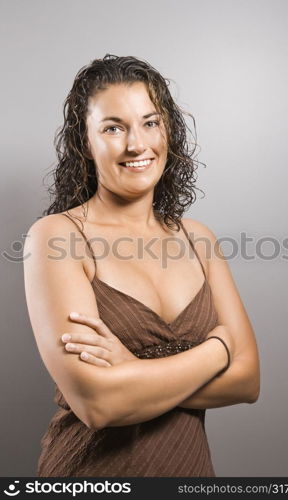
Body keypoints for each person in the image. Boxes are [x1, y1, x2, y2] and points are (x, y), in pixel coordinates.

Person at [23, 54, 260, 477]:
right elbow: (99, 404)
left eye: (150, 123)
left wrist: (132, 375)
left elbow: (247, 381)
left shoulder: (198, 238)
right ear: (85, 141)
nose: (137, 145)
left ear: (168, 129)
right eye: (113, 128)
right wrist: (219, 349)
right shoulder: (57, 236)